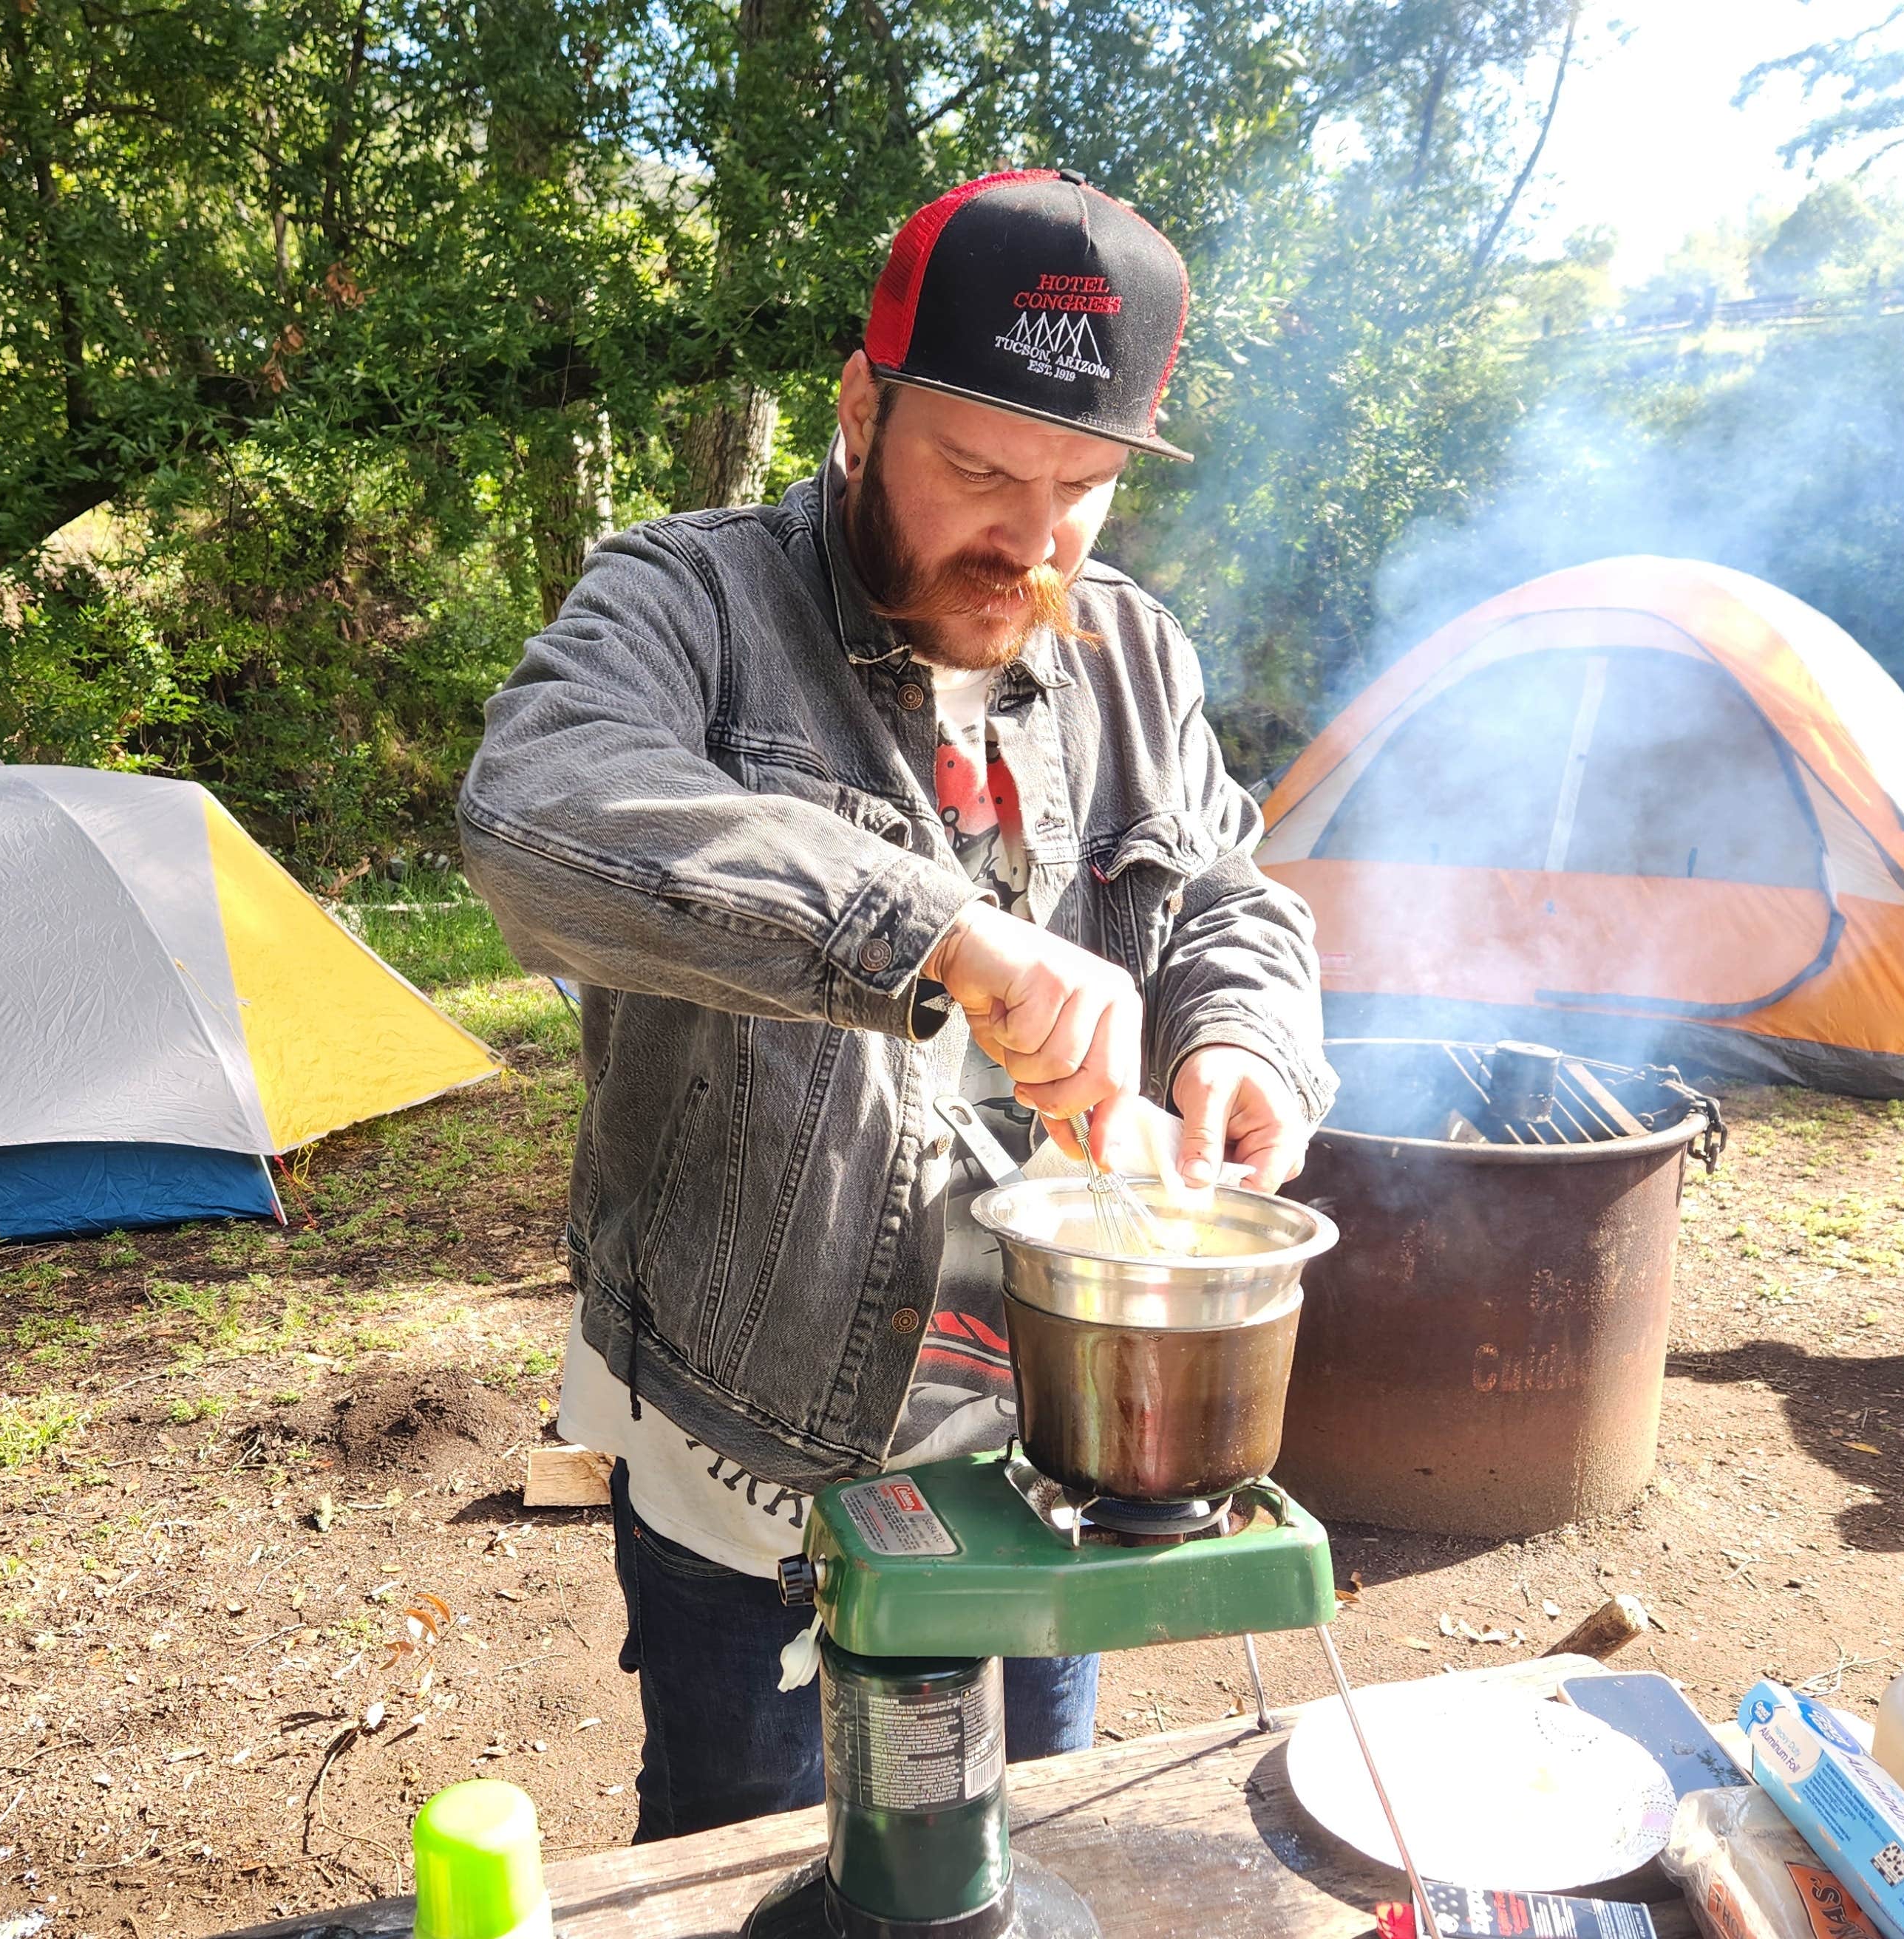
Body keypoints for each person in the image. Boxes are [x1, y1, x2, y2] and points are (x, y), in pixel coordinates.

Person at [458, 168, 1334, 1841]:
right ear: (861, 411)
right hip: (749, 1435)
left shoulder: (1136, 657)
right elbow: (532, 811)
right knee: (749, 1863)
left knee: (1035, 1836)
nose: (1032, 536)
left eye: (1083, 485)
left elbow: (1228, 892)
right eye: (979, 467)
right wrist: (934, 934)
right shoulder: (693, 602)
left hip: (1054, 1437)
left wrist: (1239, 1036)